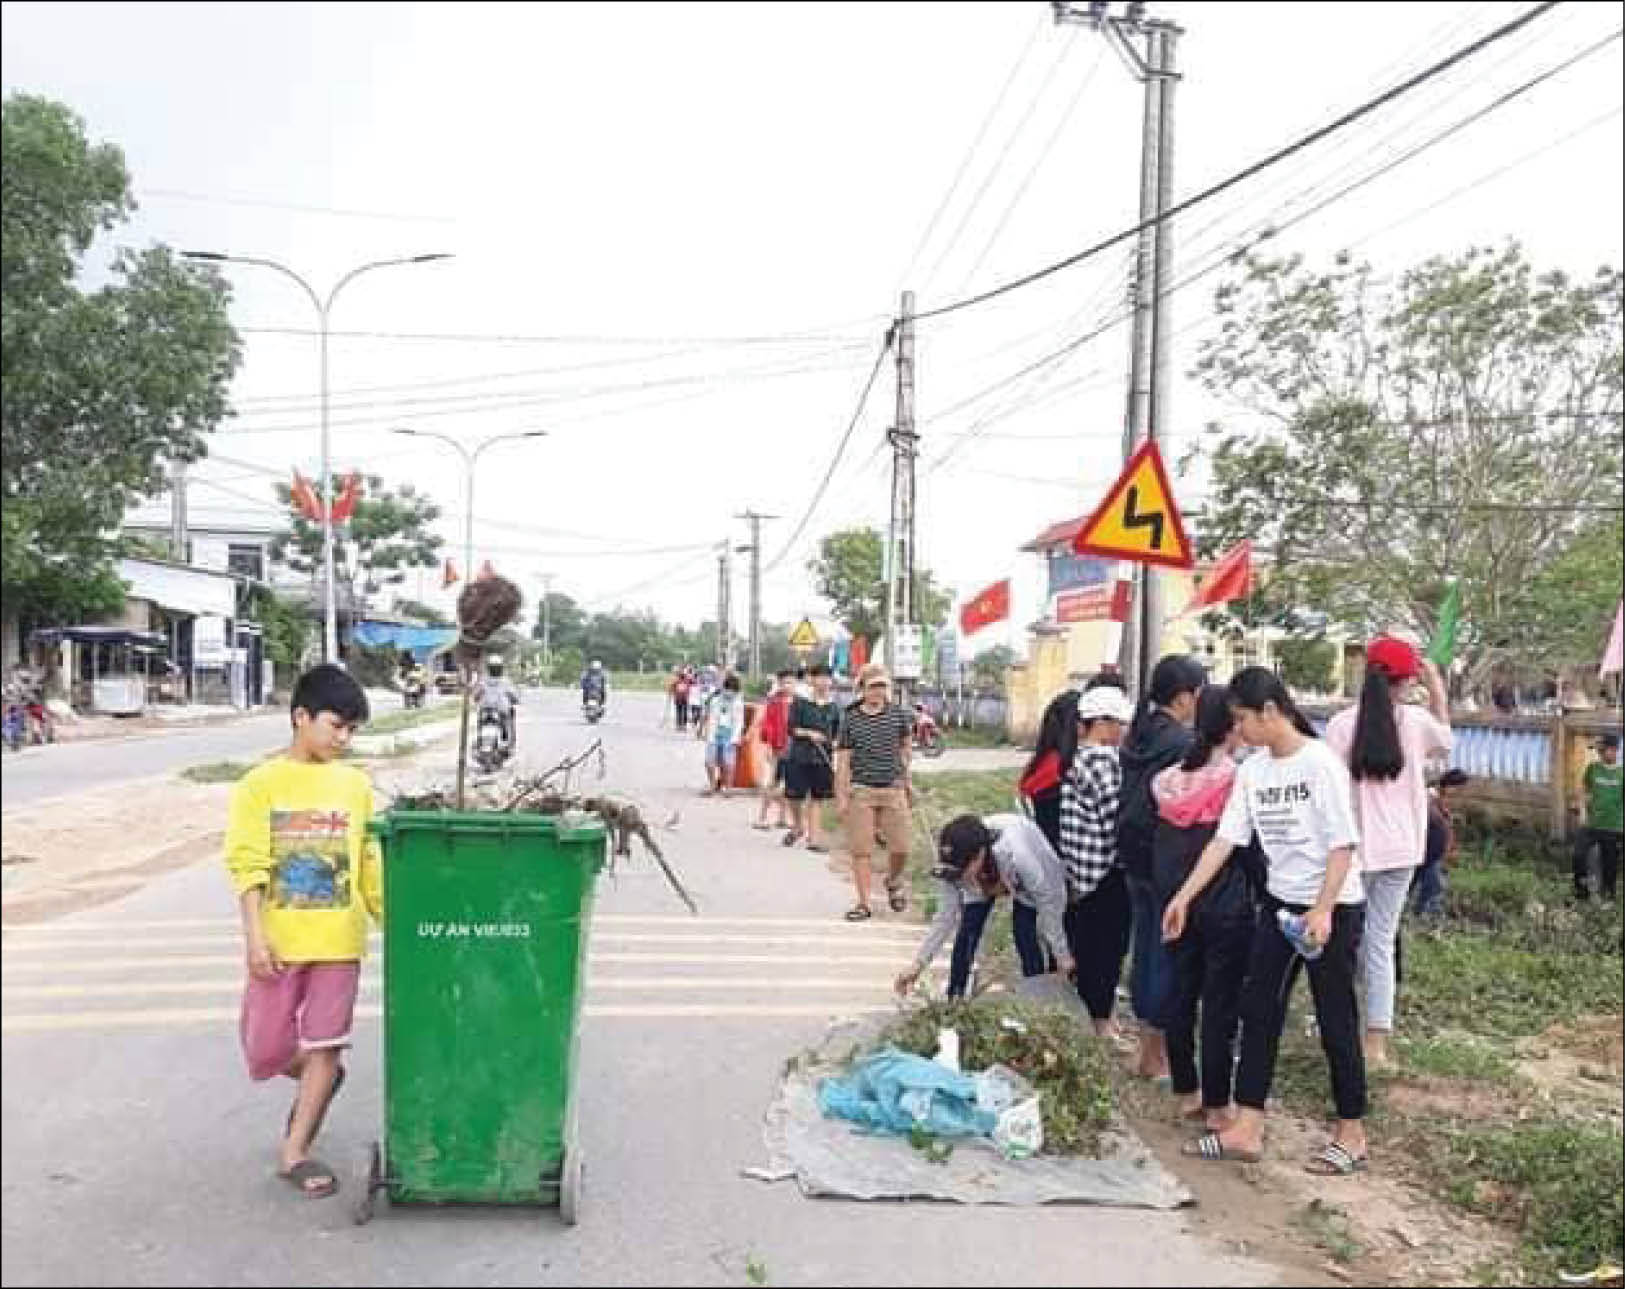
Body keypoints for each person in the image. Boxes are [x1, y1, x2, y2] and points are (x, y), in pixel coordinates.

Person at [1163, 668, 1368, 1176]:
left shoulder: (1320, 765)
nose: (1238, 731)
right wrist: (1184, 897)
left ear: (1271, 711)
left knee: (1335, 1016)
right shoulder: (1253, 771)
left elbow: (1343, 845)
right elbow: (1224, 841)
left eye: (1242, 720)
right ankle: (1247, 1126)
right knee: (1258, 1010)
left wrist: (1322, 909)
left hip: (1332, 908)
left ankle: (1351, 1131)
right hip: (1281, 908)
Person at [224, 664, 383, 1199]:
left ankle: (296, 1150)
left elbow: (367, 863)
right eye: (336, 725)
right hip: (279, 942)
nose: (343, 738)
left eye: (351, 730)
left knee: (326, 1044)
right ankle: (321, 1074)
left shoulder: (356, 786)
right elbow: (247, 863)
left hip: (338, 943)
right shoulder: (260, 784)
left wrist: (397, 922)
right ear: (300, 718)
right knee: (264, 1049)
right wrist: (254, 936)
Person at [1325, 636, 1450, 1070]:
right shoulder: (1416, 722)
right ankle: (1375, 1044)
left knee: (1344, 942)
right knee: (1380, 942)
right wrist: (1436, 686)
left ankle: (1338, 1026)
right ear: (1407, 680)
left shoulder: (1341, 726)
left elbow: (1331, 790)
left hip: (1353, 852)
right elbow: (1447, 740)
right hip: (1401, 850)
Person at [1152, 687, 1264, 1131]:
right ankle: (1218, 1106)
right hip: (1225, 904)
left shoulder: (1168, 780)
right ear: (1230, 725)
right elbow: (1246, 848)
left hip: (1177, 899)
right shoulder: (1235, 779)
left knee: (1182, 991)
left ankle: (1186, 1091)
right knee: (1220, 1004)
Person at [1117, 655, 1208, 1080]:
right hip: (1165, 860)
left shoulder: (1139, 733)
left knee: (1146, 949)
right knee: (1167, 955)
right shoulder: (1182, 743)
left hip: (1133, 857)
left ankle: (1146, 1050)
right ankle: (1156, 1055)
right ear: (1186, 697)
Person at [894, 813, 1074, 999]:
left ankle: (1040, 998)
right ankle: (955, 1000)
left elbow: (1049, 902)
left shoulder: (1018, 856)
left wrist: (1062, 954)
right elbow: (944, 918)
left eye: (962, 869)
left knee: (1024, 931)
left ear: (979, 855)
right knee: (968, 931)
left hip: (1032, 879)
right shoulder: (953, 867)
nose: (958, 877)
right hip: (987, 875)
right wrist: (918, 964)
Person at [1058, 684, 1137, 1036]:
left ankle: (1092, 1017)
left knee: (1087, 945)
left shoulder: (1078, 757)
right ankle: (1100, 1023)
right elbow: (1116, 821)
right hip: (1105, 871)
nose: (1123, 730)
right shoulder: (1105, 761)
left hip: (1079, 871)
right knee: (1106, 950)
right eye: (1119, 723)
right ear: (1103, 723)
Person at [834, 663, 914, 922]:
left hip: (892, 787)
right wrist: (842, 796)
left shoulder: (898, 715)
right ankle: (864, 902)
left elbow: (905, 746)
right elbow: (843, 760)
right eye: (873, 686)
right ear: (862, 689)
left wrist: (906, 774)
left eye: (883, 685)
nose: (878, 691)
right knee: (861, 850)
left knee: (901, 847)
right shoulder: (850, 718)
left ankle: (893, 881)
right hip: (862, 789)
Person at [784, 663, 841, 853]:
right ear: (812, 679)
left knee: (817, 798)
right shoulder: (800, 702)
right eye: (820, 677)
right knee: (794, 795)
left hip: (822, 758)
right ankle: (798, 826)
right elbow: (791, 729)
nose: (824, 682)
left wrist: (835, 744)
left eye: (827, 678)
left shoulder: (834, 707)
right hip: (799, 755)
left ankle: (814, 838)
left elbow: (837, 734)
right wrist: (809, 734)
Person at [1413, 768, 1469, 917]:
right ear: (1449, 785)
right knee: (1434, 885)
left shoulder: (1441, 801)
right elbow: (1432, 823)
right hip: (1426, 851)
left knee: (1431, 884)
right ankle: (1424, 915)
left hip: (1434, 853)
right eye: (1458, 789)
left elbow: (1444, 827)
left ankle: (1422, 914)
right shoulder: (1428, 798)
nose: (1459, 794)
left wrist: (1450, 849)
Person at [1574, 734, 1622, 900]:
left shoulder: (1621, 773)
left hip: (1613, 826)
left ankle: (1608, 896)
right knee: (1578, 856)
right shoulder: (1593, 768)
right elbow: (1584, 790)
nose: (1600, 754)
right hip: (1591, 824)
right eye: (1599, 750)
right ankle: (1581, 894)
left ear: (1615, 750)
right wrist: (1582, 811)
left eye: (1604, 750)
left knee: (1610, 865)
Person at [753, 671, 796, 831]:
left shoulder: (800, 703)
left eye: (791, 682)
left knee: (789, 784)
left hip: (795, 749)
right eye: (785, 683)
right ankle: (762, 817)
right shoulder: (774, 702)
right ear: (779, 684)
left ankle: (783, 817)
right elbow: (767, 725)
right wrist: (769, 745)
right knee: (773, 783)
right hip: (778, 747)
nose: (788, 686)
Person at [701, 673, 745, 796]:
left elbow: (739, 722)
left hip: (729, 735)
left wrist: (735, 738)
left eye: (732, 690)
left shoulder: (738, 703)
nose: (729, 692)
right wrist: (705, 731)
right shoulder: (715, 700)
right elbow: (709, 717)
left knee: (728, 763)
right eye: (727, 689)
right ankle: (712, 784)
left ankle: (728, 787)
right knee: (709, 761)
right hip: (714, 734)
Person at [475, 656, 521, 748]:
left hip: (485, 710)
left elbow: (476, 695)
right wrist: (516, 700)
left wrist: (477, 698)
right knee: (508, 719)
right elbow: (514, 695)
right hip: (501, 710)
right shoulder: (505, 682)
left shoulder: (483, 681)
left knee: (480, 722)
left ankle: (480, 740)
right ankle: (508, 741)